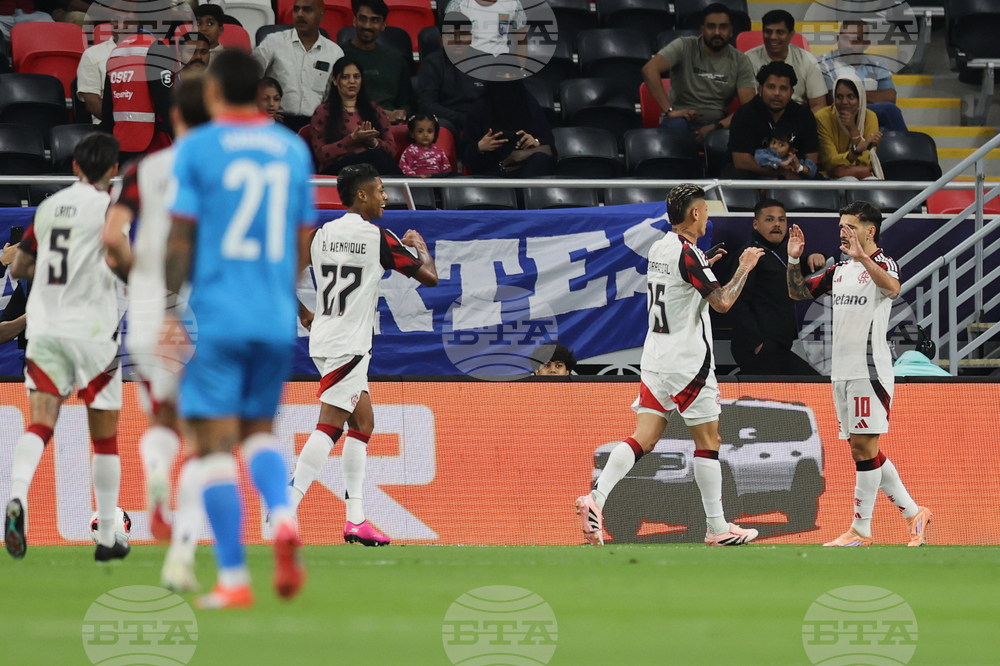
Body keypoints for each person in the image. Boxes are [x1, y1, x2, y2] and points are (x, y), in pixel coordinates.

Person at [165, 49, 315, 608]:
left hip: (219, 316)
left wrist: (164, 309)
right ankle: (281, 514)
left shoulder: (199, 147)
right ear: (258, 89)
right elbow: (303, 239)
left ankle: (233, 578)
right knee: (257, 433)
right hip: (275, 318)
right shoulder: (291, 148)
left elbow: (181, 237)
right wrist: (277, 291)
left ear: (214, 92)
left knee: (213, 447)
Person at [574, 184, 765, 547]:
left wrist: (703, 266)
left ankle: (594, 500)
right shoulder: (688, 254)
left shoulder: (661, 247)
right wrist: (743, 268)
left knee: (643, 438)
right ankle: (717, 527)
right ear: (694, 214)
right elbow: (723, 302)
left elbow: (680, 280)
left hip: (656, 359)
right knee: (709, 442)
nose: (708, 217)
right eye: (706, 211)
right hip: (687, 364)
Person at [289, 164, 438, 547]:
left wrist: (305, 314)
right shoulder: (378, 239)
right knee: (331, 424)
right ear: (362, 195)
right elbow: (430, 278)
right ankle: (285, 509)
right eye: (380, 189)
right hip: (349, 345)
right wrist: (419, 246)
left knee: (364, 422)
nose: (385, 196)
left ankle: (356, 519)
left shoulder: (321, 234)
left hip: (325, 336)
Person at [103, 76, 211, 592]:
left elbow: (112, 239)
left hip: (146, 309)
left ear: (172, 117)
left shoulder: (144, 169)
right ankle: (181, 557)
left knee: (161, 419)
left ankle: (157, 487)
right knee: (204, 439)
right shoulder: (218, 170)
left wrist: (136, 278)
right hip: (199, 308)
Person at [4, 133, 129, 562]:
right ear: (113, 171)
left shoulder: (49, 207)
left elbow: (20, 266)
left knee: (40, 422)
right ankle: (108, 534)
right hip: (94, 333)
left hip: (47, 329)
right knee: (106, 438)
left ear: (75, 166)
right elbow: (122, 262)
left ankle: (17, 497)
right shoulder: (111, 210)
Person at [787, 201, 932, 546]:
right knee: (860, 449)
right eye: (841, 226)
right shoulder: (839, 271)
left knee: (865, 447)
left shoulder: (882, 262)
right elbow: (797, 292)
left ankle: (861, 530)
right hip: (841, 371)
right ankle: (914, 513)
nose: (843, 231)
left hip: (870, 370)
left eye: (850, 226)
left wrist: (863, 257)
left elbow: (893, 289)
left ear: (870, 230)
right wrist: (794, 259)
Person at [730, 198, 824, 376]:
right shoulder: (750, 254)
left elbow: (786, 269)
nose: (777, 224)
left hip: (779, 345)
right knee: (812, 384)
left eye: (781, 220)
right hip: (760, 347)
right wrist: (756, 343)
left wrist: (814, 256)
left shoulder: (781, 252)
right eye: (769, 219)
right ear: (756, 224)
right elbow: (738, 302)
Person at [641, 3, 756, 141]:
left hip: (718, 125)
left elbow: (748, 108)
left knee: (747, 132)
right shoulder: (684, 46)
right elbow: (649, 70)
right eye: (711, 26)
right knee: (677, 127)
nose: (717, 32)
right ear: (702, 29)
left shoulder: (740, 60)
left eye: (723, 27)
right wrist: (670, 111)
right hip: (680, 121)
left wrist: (716, 127)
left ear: (731, 31)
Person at [253, 0, 344, 132]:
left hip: (316, 124)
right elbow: (249, 77)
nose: (300, 14)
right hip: (277, 122)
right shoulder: (274, 42)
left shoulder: (334, 52)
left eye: (307, 10)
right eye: (296, 9)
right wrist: (259, 110)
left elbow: (336, 96)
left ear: (321, 15)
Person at [726, 61, 819, 179]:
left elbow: (811, 159)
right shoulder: (744, 114)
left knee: (817, 179)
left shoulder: (804, 116)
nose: (776, 93)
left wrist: (796, 171)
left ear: (791, 92)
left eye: (783, 88)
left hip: (794, 173)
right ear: (760, 89)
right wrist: (781, 173)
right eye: (771, 87)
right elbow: (741, 161)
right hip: (753, 175)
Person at [309, 57, 399, 175]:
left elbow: (392, 151)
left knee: (377, 159)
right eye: (345, 77)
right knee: (377, 157)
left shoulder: (375, 109)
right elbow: (321, 154)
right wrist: (351, 139)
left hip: (372, 167)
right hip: (338, 171)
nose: (352, 81)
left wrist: (372, 142)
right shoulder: (323, 111)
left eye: (356, 77)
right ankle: (413, 187)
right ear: (335, 81)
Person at [817, 21, 907, 132]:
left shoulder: (877, 64)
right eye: (845, 39)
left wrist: (852, 96)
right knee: (889, 111)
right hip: (839, 118)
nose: (849, 45)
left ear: (866, 44)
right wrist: (871, 98)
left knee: (884, 132)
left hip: (869, 119)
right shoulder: (825, 63)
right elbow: (833, 98)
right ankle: (910, 148)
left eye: (856, 40)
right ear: (837, 39)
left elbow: (890, 97)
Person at [340, 0, 415, 125]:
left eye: (374, 20)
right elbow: (334, 100)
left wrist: (403, 113)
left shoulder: (396, 60)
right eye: (362, 19)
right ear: (354, 20)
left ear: (383, 25)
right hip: (350, 123)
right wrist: (378, 113)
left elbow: (407, 102)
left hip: (391, 127)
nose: (367, 26)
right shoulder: (338, 55)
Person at [461, 80, 553, 177]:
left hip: (528, 166)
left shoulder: (530, 108)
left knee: (539, 159)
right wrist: (480, 148)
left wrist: (536, 141)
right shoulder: (479, 110)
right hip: (493, 173)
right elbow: (467, 157)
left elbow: (551, 147)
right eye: (501, 76)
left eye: (511, 77)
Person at [744, 10, 827, 113]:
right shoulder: (747, 59)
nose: (773, 37)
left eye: (780, 32)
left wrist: (804, 124)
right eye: (768, 32)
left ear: (791, 34)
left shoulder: (807, 59)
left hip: (798, 119)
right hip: (761, 118)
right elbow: (748, 106)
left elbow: (819, 105)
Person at [817, 74, 883, 180]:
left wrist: (853, 129)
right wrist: (859, 149)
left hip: (860, 172)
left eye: (851, 97)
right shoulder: (823, 117)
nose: (844, 102)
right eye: (839, 97)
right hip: (830, 176)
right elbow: (830, 162)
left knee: (872, 182)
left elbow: (866, 160)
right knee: (849, 180)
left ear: (860, 98)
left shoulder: (869, 117)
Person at [416, 41, 485, 134]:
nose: (458, 40)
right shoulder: (432, 62)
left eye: (463, 34)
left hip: (481, 118)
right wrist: (462, 119)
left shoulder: (486, 60)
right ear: (441, 40)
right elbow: (427, 104)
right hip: (449, 120)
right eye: (451, 35)